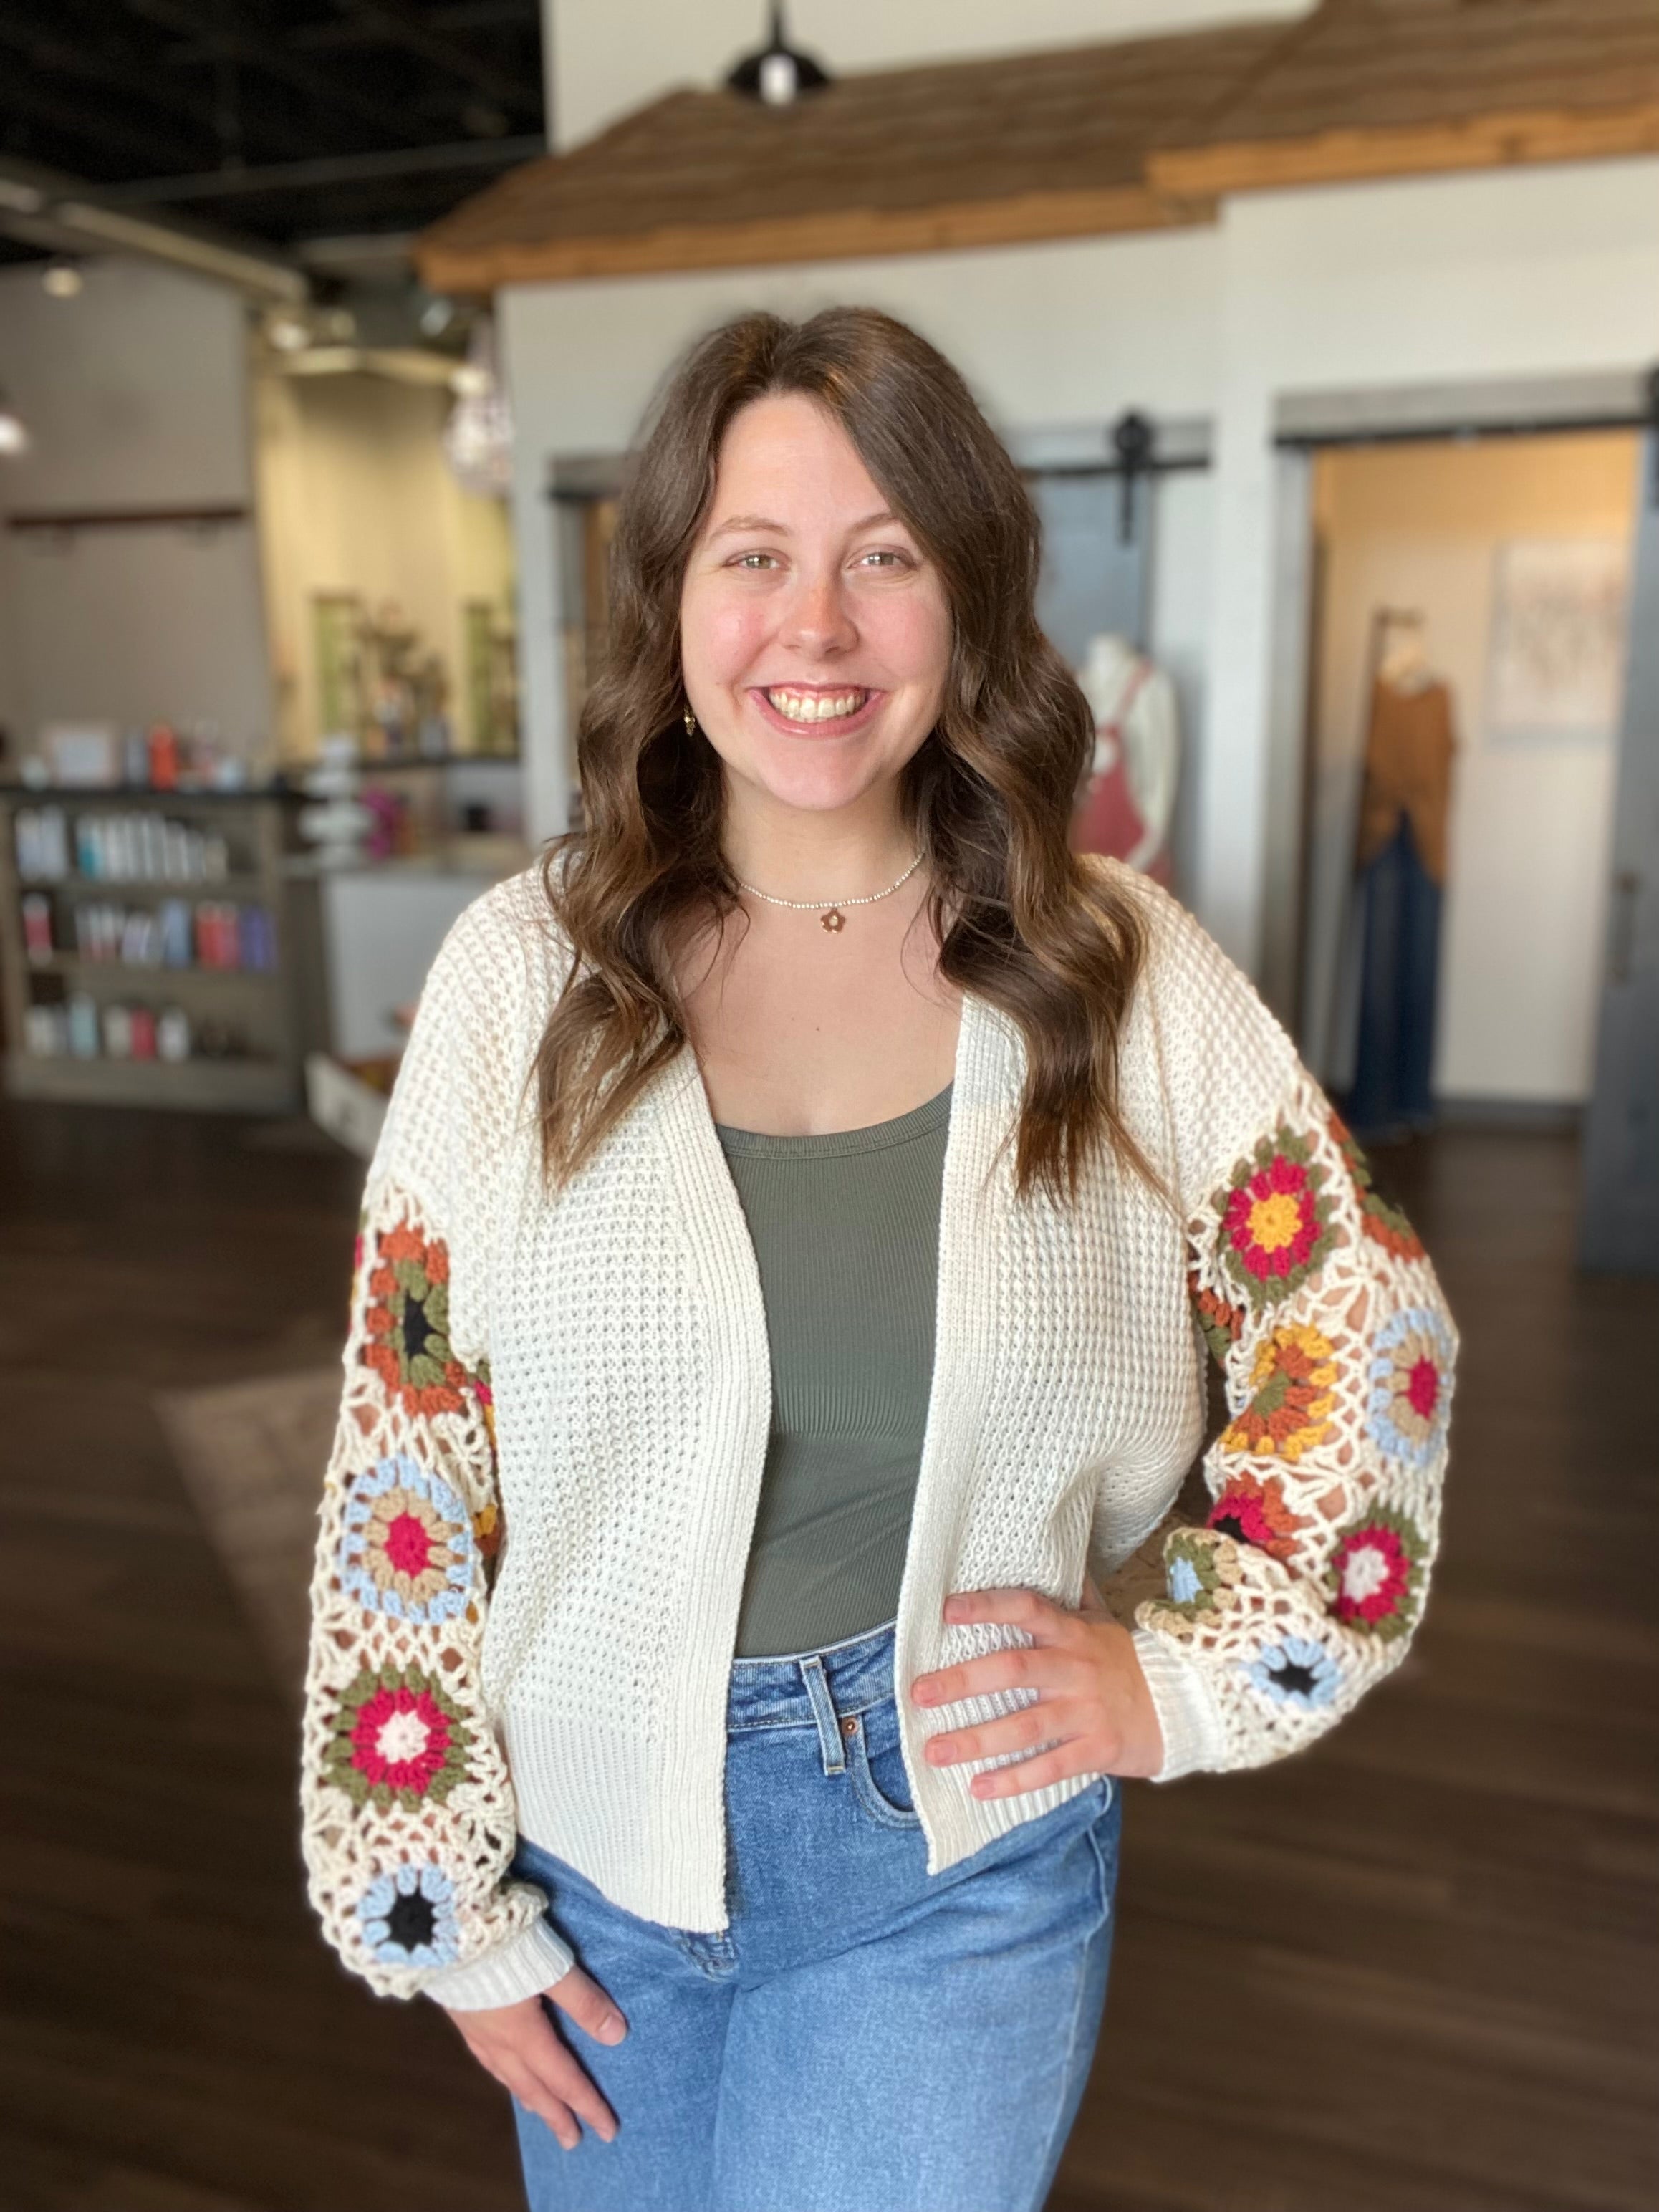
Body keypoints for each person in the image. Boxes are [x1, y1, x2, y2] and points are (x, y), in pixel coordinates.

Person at [299, 307, 1457, 2212]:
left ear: (967, 603)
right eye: (751, 558)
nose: (813, 628)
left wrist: (1186, 1680)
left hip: (955, 1847)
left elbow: (1360, 1320)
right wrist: (432, 1880)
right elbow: (407, 1448)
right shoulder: (525, 971)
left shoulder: (1113, 960)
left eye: (883, 557)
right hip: (590, 1852)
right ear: (673, 602)